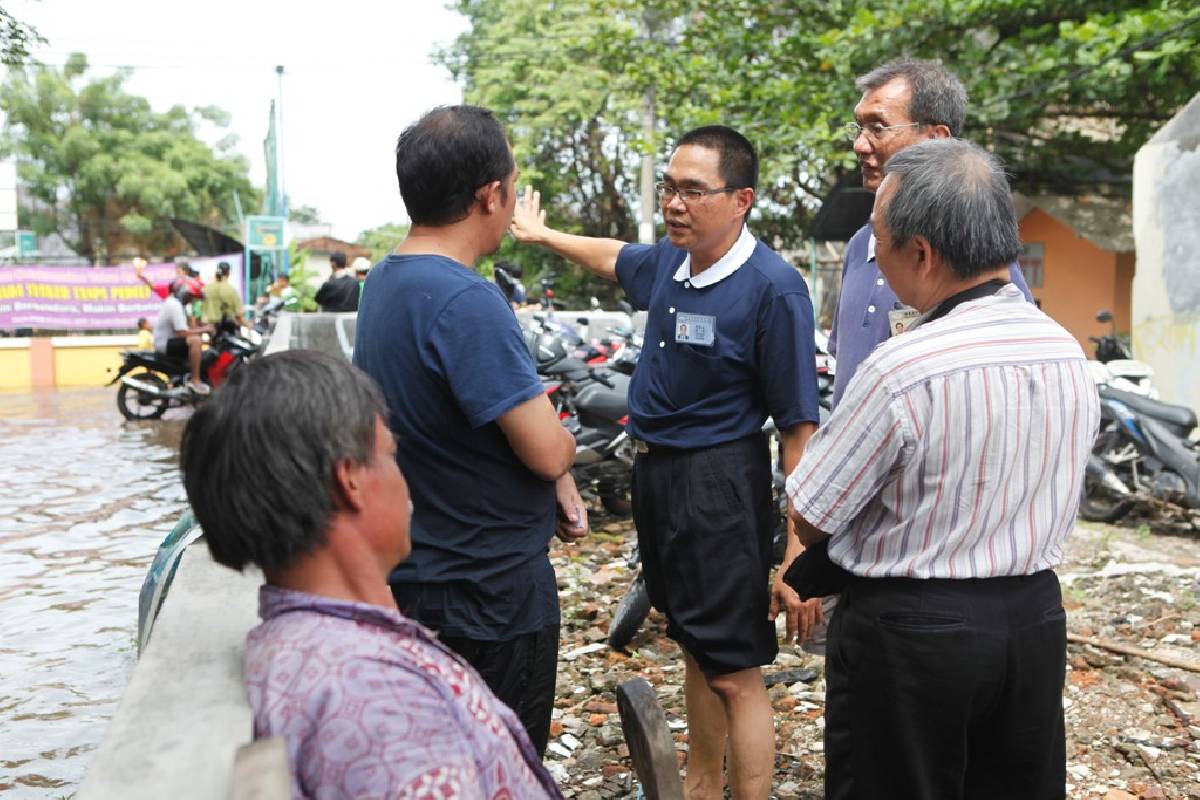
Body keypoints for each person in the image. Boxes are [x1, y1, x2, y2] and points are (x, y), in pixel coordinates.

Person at [511, 124, 820, 799]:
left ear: (741, 199)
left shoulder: (773, 289)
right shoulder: (670, 264)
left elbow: (799, 432)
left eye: (693, 191)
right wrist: (541, 236)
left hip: (720, 483)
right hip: (658, 476)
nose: (676, 204)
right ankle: (702, 785)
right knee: (692, 641)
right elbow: (615, 255)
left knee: (734, 666)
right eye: (670, 188)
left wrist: (799, 549)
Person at [786, 138, 1100, 800]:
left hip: (912, 638)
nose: (873, 258)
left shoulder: (903, 369)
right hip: (1033, 623)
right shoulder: (1067, 351)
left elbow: (811, 517)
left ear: (921, 253)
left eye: (878, 240)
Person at [178, 350, 562, 800]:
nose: (404, 480)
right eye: (391, 455)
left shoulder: (315, 644)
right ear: (350, 481)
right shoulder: (382, 701)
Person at [353, 105, 585, 757]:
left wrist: (556, 472)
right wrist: (562, 453)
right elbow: (545, 448)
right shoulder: (465, 299)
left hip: (414, 575)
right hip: (488, 597)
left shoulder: (385, 280)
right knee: (501, 766)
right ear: (492, 195)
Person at [830, 58, 1033, 407]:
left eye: (878, 128)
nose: (860, 145)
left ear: (936, 140)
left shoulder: (972, 248)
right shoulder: (860, 245)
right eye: (859, 128)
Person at [151, 279, 211, 395]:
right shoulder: (174, 305)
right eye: (190, 297)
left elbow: (188, 327)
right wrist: (205, 329)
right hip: (165, 344)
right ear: (183, 293)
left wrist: (202, 327)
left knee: (197, 340)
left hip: (170, 341)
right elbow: (182, 333)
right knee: (196, 341)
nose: (191, 301)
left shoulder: (176, 304)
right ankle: (195, 380)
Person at [199, 261, 247, 328]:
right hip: (225, 328)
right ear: (228, 273)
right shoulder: (231, 289)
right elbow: (239, 314)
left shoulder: (206, 288)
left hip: (206, 327)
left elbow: (199, 308)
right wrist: (247, 324)